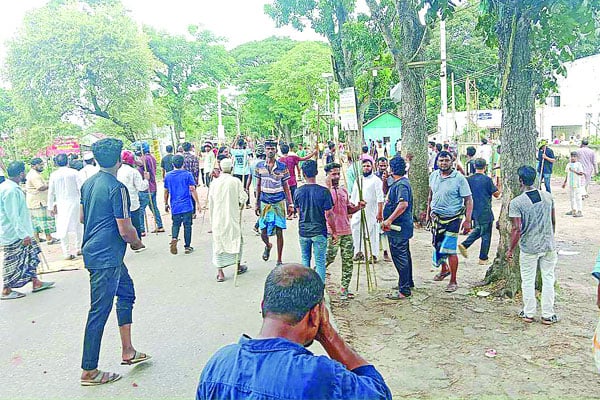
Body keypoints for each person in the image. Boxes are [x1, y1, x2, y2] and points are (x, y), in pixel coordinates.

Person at [197, 264, 392, 399]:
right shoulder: (321, 375)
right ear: (316, 314)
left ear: (264, 305)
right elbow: (379, 393)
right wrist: (329, 335)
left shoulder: (218, 363)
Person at [79, 138, 149, 386]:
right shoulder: (117, 188)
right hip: (105, 257)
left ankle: (128, 350)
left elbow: (81, 217)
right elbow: (125, 228)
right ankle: (89, 370)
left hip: (102, 254)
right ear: (119, 158)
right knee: (99, 310)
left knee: (127, 292)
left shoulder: (88, 184)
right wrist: (137, 242)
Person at [506, 165, 558, 325]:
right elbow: (553, 221)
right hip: (548, 245)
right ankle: (548, 315)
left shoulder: (517, 203)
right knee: (548, 278)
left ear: (520, 180)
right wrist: (550, 237)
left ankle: (529, 313)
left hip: (529, 247)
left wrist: (510, 249)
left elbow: (516, 228)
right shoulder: (548, 197)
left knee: (527, 280)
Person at [1, 161, 54, 300]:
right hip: (14, 233)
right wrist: (23, 234)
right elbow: (13, 216)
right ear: (21, 174)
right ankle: (6, 289)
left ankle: (35, 282)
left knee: (31, 256)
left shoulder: (11, 187)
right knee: (12, 261)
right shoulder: (10, 190)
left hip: (23, 230)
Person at [427, 151, 473, 293]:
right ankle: (444, 269)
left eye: (446, 160)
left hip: (453, 218)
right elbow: (431, 195)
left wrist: (468, 220)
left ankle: (453, 280)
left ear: (452, 161)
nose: (443, 163)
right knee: (437, 245)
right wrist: (428, 212)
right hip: (436, 217)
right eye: (441, 161)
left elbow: (469, 200)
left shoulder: (459, 178)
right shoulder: (433, 176)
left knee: (450, 250)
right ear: (437, 162)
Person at [325, 162, 364, 300]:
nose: (336, 176)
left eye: (338, 173)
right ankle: (317, 281)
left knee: (348, 261)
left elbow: (348, 209)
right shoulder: (324, 191)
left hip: (346, 230)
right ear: (328, 175)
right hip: (332, 231)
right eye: (333, 174)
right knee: (328, 258)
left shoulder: (343, 191)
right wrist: (328, 186)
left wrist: (358, 207)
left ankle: (344, 289)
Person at [254, 140, 294, 267]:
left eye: (272, 149)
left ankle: (279, 259)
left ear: (276, 150)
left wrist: (290, 203)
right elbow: (258, 185)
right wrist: (256, 203)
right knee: (263, 231)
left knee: (279, 231)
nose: (270, 151)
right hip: (265, 202)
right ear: (265, 151)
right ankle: (268, 245)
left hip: (278, 202)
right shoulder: (259, 166)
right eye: (268, 149)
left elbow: (286, 185)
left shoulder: (282, 167)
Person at [293, 160, 334, 282]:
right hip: (319, 231)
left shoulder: (298, 191)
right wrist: (334, 230)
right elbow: (329, 214)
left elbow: (299, 212)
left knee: (305, 259)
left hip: (304, 231)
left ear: (303, 174)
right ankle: (319, 291)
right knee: (320, 262)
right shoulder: (324, 191)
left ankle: (307, 289)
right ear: (316, 172)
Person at [209, 158, 249, 282]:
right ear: (232, 168)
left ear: (220, 169)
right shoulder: (235, 181)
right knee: (236, 239)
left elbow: (211, 202)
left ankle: (220, 273)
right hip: (231, 217)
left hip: (217, 218)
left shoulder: (214, 183)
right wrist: (243, 198)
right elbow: (242, 198)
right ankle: (237, 266)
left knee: (219, 243)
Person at [382, 155, 414, 300]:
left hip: (398, 227)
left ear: (392, 169)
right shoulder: (397, 183)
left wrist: (389, 220)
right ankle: (407, 282)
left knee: (400, 256)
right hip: (398, 227)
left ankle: (404, 289)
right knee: (404, 255)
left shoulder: (401, 185)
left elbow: (403, 205)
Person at [458, 158, 500, 267]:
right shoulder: (487, 180)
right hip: (485, 209)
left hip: (472, 209)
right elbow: (496, 194)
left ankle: (465, 245)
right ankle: (483, 257)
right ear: (485, 167)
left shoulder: (469, 179)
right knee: (486, 234)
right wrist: (499, 187)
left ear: (474, 166)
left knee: (480, 229)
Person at [48, 153, 83, 260]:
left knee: (62, 228)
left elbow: (51, 192)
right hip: (75, 201)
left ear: (56, 163)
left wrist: (50, 207)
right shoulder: (74, 173)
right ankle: (79, 248)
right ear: (68, 161)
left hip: (61, 203)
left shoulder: (54, 175)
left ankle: (66, 252)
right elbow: (81, 188)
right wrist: (84, 202)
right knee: (79, 225)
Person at [164, 154, 199, 255]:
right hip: (187, 205)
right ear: (183, 163)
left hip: (175, 205)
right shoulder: (188, 174)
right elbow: (192, 189)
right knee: (187, 225)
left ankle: (174, 238)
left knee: (175, 224)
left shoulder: (168, 175)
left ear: (172, 164)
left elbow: (166, 191)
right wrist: (198, 203)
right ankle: (187, 246)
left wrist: (166, 203)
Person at [350, 158, 384, 262]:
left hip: (371, 211)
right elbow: (353, 196)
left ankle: (373, 254)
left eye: (368, 166)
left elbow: (380, 198)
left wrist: (380, 212)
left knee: (372, 232)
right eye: (364, 166)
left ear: (372, 167)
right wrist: (351, 209)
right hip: (358, 210)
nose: (366, 168)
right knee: (355, 229)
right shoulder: (358, 180)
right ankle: (358, 252)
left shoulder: (376, 181)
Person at [117, 150, 149, 239]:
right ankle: (137, 241)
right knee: (135, 224)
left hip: (119, 202)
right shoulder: (133, 172)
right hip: (133, 202)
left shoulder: (116, 171)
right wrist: (146, 180)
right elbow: (141, 187)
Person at [25, 158, 58, 244]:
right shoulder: (34, 175)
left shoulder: (34, 174)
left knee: (36, 221)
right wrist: (51, 184)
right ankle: (49, 238)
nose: (42, 166)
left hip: (35, 202)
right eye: (40, 165)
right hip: (38, 202)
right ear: (33, 166)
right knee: (44, 221)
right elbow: (40, 187)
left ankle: (37, 238)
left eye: (42, 164)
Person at [279, 143, 316, 218]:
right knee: (294, 196)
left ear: (281, 151)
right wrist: (314, 153)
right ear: (288, 149)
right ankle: (295, 212)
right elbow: (304, 158)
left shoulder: (279, 160)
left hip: (285, 182)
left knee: (287, 197)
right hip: (293, 180)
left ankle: (289, 213)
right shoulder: (293, 157)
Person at [137, 141, 164, 235]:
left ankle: (141, 230)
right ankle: (160, 225)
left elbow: (139, 163)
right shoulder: (152, 157)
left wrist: (131, 159)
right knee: (154, 207)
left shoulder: (143, 158)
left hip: (146, 188)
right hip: (153, 186)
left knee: (140, 209)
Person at [375, 157, 394, 263]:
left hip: (387, 205)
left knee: (385, 230)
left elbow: (386, 191)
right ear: (377, 165)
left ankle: (386, 252)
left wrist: (385, 180)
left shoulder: (391, 177)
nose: (382, 168)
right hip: (376, 206)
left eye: (384, 166)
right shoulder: (373, 176)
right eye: (380, 165)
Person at [231, 139, 253, 208]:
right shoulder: (246, 151)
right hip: (244, 172)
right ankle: (247, 203)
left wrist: (235, 139)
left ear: (237, 145)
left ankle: (239, 203)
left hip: (237, 172)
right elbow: (252, 149)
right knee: (246, 188)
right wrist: (248, 141)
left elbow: (230, 147)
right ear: (244, 145)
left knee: (238, 188)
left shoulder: (235, 151)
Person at [562, 151, 584, 217]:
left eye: (574, 157)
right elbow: (567, 174)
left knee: (578, 197)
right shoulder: (568, 164)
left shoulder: (578, 164)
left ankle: (579, 211)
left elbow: (581, 173)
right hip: (570, 183)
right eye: (572, 156)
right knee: (572, 197)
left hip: (577, 184)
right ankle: (573, 209)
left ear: (577, 157)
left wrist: (573, 171)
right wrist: (565, 182)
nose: (573, 158)